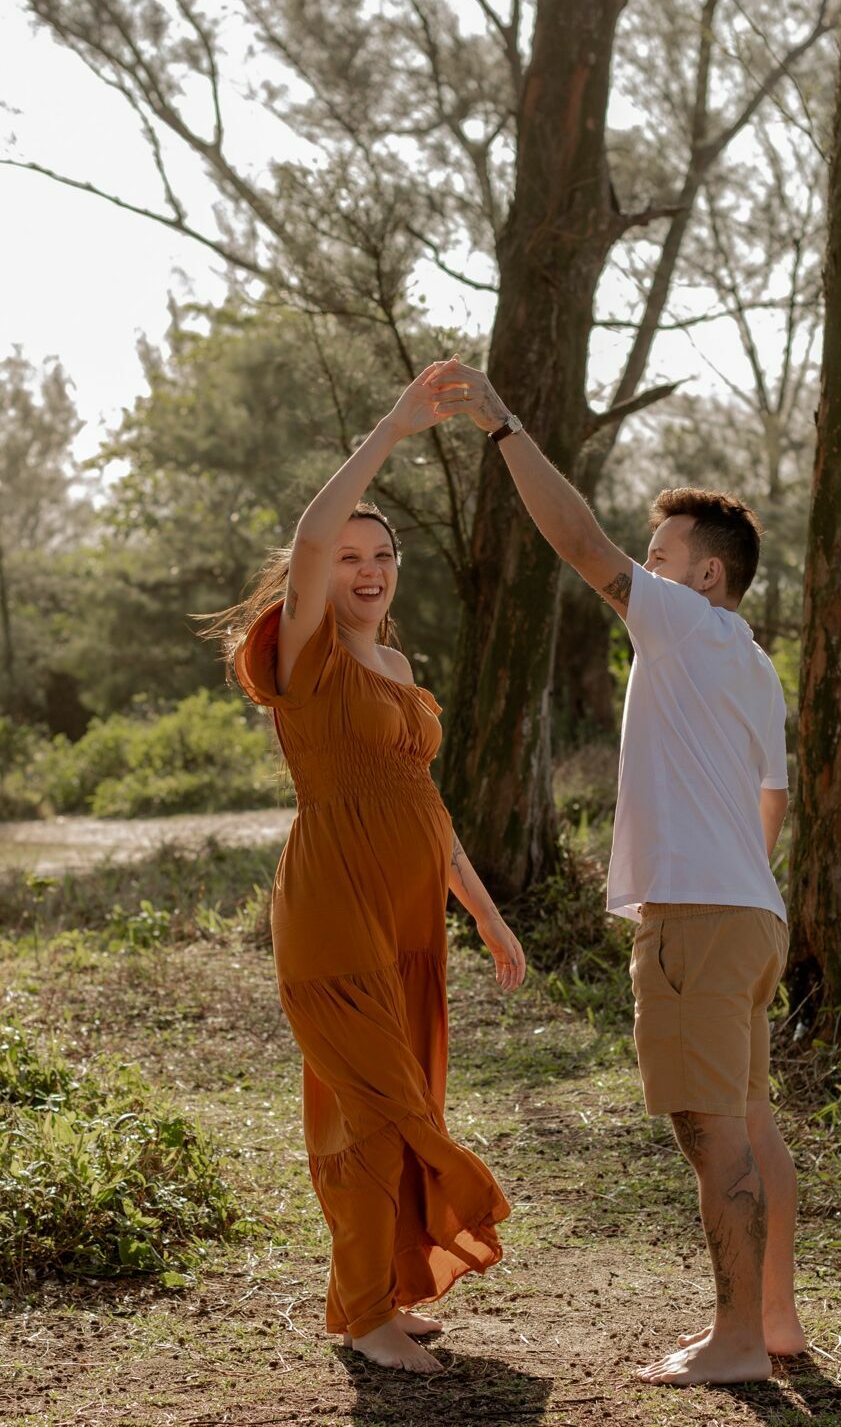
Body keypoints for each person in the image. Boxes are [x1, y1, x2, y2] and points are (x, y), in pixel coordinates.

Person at [428, 356, 804, 1387]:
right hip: (751, 914)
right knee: (752, 1119)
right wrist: (737, 884)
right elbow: (774, 799)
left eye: (660, 555)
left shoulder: (681, 621)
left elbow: (580, 543)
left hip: (700, 915)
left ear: (705, 575)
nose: (641, 569)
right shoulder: (755, 663)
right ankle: (774, 1322)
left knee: (710, 1132)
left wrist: (505, 424)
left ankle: (733, 1344)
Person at [203, 360, 526, 1376]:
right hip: (334, 910)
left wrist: (485, 909)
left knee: (392, 1103)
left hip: (409, 923)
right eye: (348, 556)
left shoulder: (394, 667)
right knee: (382, 1113)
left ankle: (366, 1300)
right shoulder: (311, 657)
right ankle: (370, 1318)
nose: (366, 568)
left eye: (380, 554)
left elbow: (425, 805)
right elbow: (306, 535)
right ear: (319, 571)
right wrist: (395, 425)